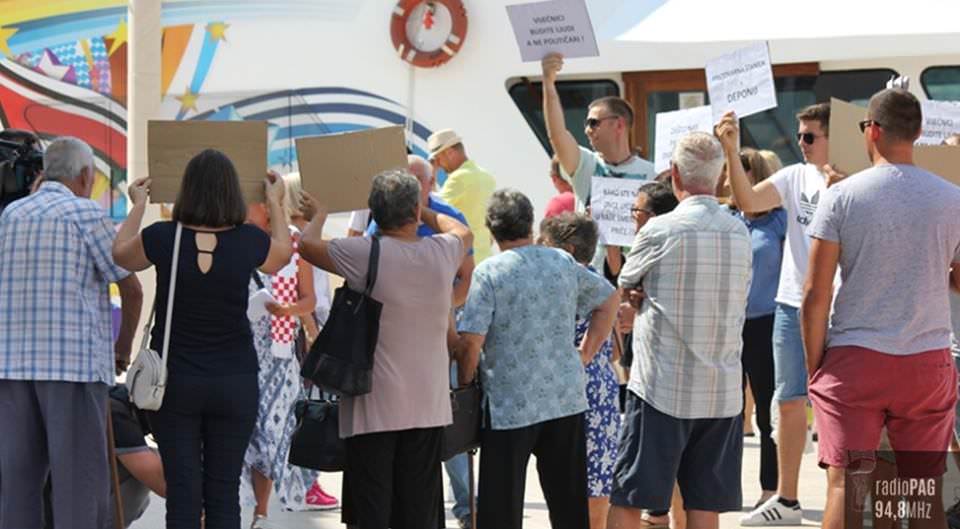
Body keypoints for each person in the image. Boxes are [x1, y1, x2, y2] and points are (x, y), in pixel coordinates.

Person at [802, 88, 960, 529]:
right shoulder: (952, 198)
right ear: (919, 132)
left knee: (846, 485)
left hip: (856, 361)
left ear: (872, 130)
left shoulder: (842, 196)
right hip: (926, 362)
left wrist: (815, 366)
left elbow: (815, 294)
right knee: (922, 490)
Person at [112, 149, 293, 529]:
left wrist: (139, 205)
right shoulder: (248, 240)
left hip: (175, 383)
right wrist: (276, 203)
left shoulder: (163, 237)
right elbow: (280, 256)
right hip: (235, 380)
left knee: (183, 490)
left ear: (187, 190)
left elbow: (120, 254)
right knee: (224, 490)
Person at [298, 169, 472, 529]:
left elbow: (308, 245)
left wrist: (320, 214)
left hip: (371, 404)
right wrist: (423, 210)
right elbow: (462, 230)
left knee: (372, 508)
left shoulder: (363, 253)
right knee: (418, 510)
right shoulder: (442, 252)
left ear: (374, 213)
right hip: (427, 405)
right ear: (413, 211)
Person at [608, 132, 752, 529]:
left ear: (674, 174)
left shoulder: (659, 230)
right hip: (721, 390)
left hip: (662, 388)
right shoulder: (739, 232)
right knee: (704, 505)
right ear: (720, 176)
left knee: (630, 496)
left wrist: (638, 295)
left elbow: (625, 281)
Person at [452, 189, 619, 529]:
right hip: (564, 399)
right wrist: (585, 353)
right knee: (569, 508)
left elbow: (471, 343)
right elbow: (609, 298)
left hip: (510, 405)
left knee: (501, 510)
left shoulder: (489, 272)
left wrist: (466, 383)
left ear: (491, 229)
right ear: (530, 224)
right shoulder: (561, 261)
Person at [0, 136, 143, 529]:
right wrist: (122, 349)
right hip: (72, 368)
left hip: (11, 368)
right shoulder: (86, 214)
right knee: (79, 483)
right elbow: (130, 287)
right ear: (84, 176)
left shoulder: (11, 215)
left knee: (17, 485)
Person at [717, 103, 843, 526]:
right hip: (791, 305)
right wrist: (731, 150)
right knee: (788, 401)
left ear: (834, 136)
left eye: (810, 136)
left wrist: (843, 189)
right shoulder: (794, 176)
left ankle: (844, 496)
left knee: (841, 405)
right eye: (799, 134)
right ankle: (786, 500)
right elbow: (748, 199)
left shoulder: (858, 179)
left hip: (843, 306)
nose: (801, 143)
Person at [242, 175, 332, 526]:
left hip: (279, 358)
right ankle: (240, 506)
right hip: (240, 351)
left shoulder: (294, 243)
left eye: (267, 201)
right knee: (243, 434)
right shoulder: (234, 238)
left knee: (270, 435)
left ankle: (261, 512)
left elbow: (308, 298)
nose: (261, 208)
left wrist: (287, 310)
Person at [539, 212, 621, 529]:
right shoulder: (602, 286)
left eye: (546, 244)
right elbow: (615, 349)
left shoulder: (557, 285)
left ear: (568, 250)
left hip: (568, 395)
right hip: (601, 393)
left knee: (566, 493)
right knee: (597, 487)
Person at [541, 53, 655, 275]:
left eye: (593, 123)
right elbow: (557, 134)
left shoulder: (651, 173)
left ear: (619, 125)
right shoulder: (586, 164)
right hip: (589, 278)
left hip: (636, 278)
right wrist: (548, 82)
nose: (587, 130)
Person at [728, 147, 787, 508]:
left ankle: (770, 487)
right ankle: (722, 488)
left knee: (766, 411)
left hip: (766, 325)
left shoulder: (780, 221)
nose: (731, 180)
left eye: (741, 173)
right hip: (727, 325)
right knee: (726, 413)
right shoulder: (727, 219)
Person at [367, 155, 475, 307]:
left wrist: (442, 310)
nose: (411, 188)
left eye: (417, 180)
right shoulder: (384, 218)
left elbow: (467, 276)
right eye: (406, 181)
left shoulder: (452, 218)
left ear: (431, 182)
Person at [429, 128, 496, 262]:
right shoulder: (486, 176)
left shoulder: (458, 178)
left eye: (438, 159)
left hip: (467, 258)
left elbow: (431, 205)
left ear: (449, 152)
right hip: (485, 256)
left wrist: (432, 172)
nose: (439, 165)